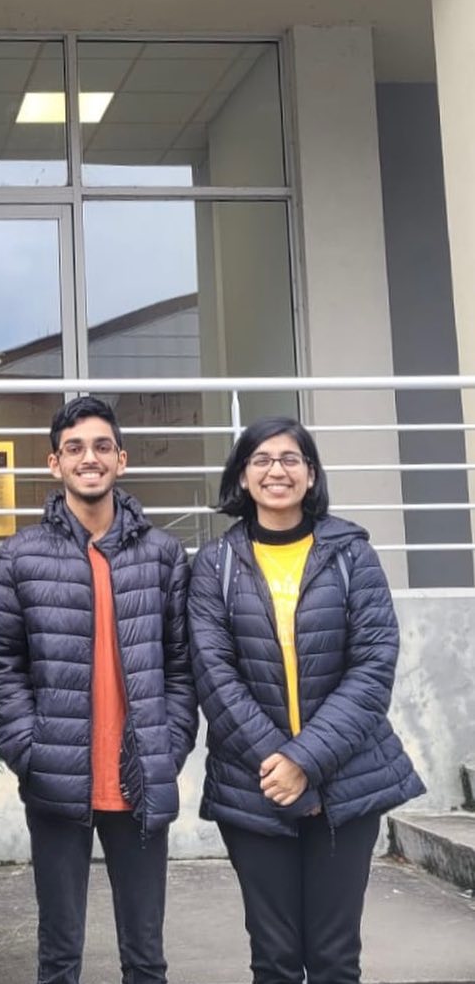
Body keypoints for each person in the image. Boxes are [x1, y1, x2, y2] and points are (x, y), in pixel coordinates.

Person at [188, 417, 425, 984]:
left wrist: (306, 762)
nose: (277, 470)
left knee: (334, 959)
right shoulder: (214, 566)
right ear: (242, 476)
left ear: (311, 474)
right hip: (254, 784)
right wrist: (282, 768)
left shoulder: (351, 554)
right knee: (273, 959)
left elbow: (372, 668)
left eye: (291, 459)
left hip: (347, 784)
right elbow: (213, 675)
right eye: (262, 459)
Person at [0, 395, 197, 984]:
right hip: (56, 778)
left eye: (102, 447)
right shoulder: (19, 556)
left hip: (140, 779)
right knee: (58, 955)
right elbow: (0, 666)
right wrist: (29, 749)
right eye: (74, 448)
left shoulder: (163, 555)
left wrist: (169, 747)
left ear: (121, 459)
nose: (89, 458)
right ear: (55, 464)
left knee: (147, 959)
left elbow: (181, 666)